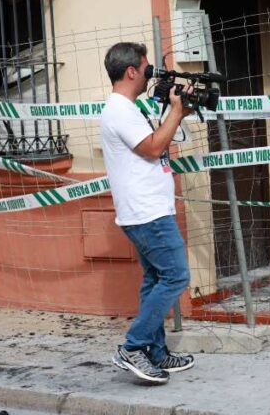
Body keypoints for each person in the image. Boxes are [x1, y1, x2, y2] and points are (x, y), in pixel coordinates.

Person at [100, 42, 195, 383]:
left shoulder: (127, 108)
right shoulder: (120, 111)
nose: (148, 75)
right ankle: (134, 346)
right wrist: (178, 112)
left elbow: (152, 140)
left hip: (145, 211)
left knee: (155, 279)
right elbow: (155, 147)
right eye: (146, 69)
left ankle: (156, 352)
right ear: (131, 71)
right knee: (176, 277)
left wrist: (171, 105)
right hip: (147, 214)